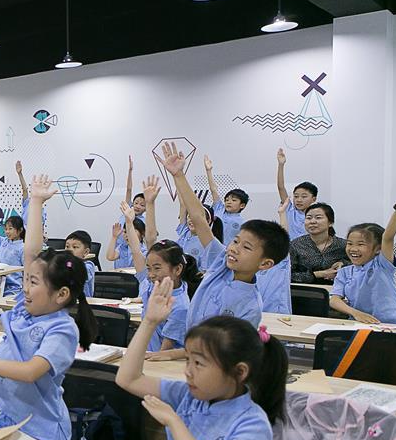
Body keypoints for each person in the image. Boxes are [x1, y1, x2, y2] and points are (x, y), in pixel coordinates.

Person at [0, 175, 97, 440]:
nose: (26, 289)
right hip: (11, 419)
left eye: (34, 283)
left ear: (61, 294)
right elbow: (31, 254)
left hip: (43, 431)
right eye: (27, 281)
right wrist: (36, 202)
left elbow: (31, 372)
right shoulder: (26, 310)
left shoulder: (63, 329)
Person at [117, 278, 287, 440]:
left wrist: (174, 421)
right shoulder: (189, 394)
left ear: (239, 372)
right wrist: (150, 322)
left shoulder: (253, 424)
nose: (188, 371)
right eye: (187, 360)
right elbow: (127, 379)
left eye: (198, 363)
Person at [157, 141, 289, 341]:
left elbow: (226, 351)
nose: (234, 249)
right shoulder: (220, 262)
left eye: (246, 247)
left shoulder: (251, 306)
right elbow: (199, 219)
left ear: (265, 263)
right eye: (235, 241)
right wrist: (178, 175)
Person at [329, 196, 396, 325]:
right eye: (350, 243)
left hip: (395, 325)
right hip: (361, 324)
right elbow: (334, 300)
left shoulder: (382, 265)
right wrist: (356, 313)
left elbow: (388, 237)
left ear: (378, 249)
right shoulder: (344, 272)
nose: (353, 249)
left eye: (361, 244)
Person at [121, 201, 194, 352]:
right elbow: (136, 250)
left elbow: (164, 353)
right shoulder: (151, 284)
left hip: (160, 363)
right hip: (146, 354)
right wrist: (129, 222)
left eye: (157, 268)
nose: (151, 274)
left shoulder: (180, 306)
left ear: (177, 269)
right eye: (149, 268)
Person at [288, 202, 349, 284]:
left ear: (330, 222)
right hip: (305, 291)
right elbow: (288, 275)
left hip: (336, 291)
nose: (312, 221)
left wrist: (343, 264)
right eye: (309, 218)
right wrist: (319, 274)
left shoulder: (343, 245)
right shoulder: (295, 245)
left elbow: (358, 266)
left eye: (318, 217)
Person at [276, 148, 319, 241]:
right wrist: (281, 164)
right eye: (296, 196)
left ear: (313, 199)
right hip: (289, 253)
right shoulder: (290, 210)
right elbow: (281, 187)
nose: (299, 200)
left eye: (304, 196)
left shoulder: (317, 216)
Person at [206, 155, 248, 244]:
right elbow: (213, 189)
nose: (229, 202)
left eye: (234, 200)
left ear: (242, 205)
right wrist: (208, 171)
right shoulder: (219, 208)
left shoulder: (243, 223)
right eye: (227, 199)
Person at [63, 230, 97, 297]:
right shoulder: (66, 264)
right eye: (67, 246)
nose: (70, 250)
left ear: (86, 252)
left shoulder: (88, 266)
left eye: (75, 247)